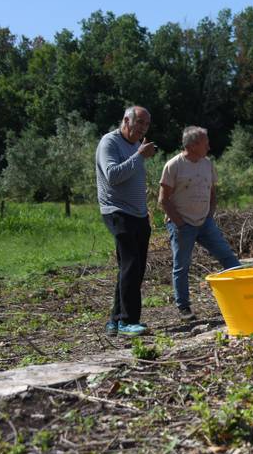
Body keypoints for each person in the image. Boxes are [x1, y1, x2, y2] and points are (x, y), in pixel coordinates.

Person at [159, 126, 240, 320]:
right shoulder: (174, 165)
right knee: (182, 266)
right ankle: (184, 307)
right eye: (205, 143)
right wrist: (180, 223)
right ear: (193, 145)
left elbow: (212, 192)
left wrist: (209, 214)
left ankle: (240, 297)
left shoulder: (207, 164)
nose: (209, 146)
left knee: (228, 258)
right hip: (182, 224)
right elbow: (163, 199)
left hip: (205, 223)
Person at [96, 106, 156, 336]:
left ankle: (115, 319)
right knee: (131, 264)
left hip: (139, 214)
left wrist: (138, 154)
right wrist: (140, 155)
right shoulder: (109, 143)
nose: (142, 128)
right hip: (117, 211)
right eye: (139, 122)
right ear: (126, 120)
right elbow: (112, 176)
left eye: (146, 124)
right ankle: (128, 321)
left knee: (133, 267)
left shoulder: (134, 146)